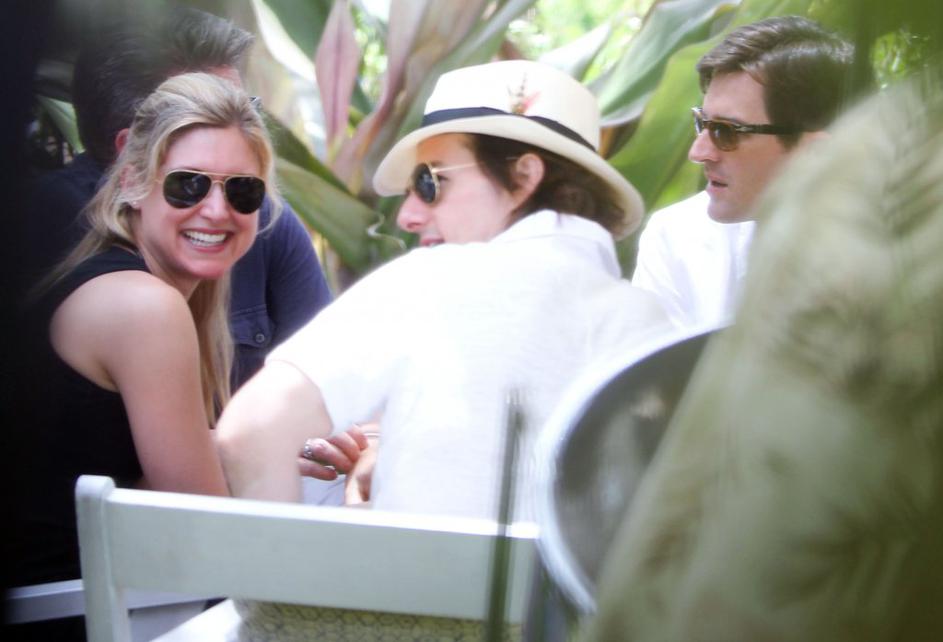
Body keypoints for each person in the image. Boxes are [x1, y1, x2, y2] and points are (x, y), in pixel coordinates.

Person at [216, 59, 670, 523]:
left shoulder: (428, 281)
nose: (407, 216)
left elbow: (252, 429)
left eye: (430, 182)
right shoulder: (650, 324)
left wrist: (282, 566)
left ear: (523, 177)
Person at [10, 72, 273, 618]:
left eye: (242, 190)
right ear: (132, 181)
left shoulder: (117, 281)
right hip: (75, 614)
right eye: (188, 185)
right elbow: (206, 533)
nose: (217, 210)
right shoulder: (145, 307)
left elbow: (138, 489)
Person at [24, 7, 331, 389]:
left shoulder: (255, 213)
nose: (217, 209)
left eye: (245, 110)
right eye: (210, 115)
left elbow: (329, 378)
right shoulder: (51, 221)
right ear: (132, 154)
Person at [632, 15, 864, 329]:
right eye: (702, 123)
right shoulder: (677, 236)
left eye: (726, 131)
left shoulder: (904, 256)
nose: (697, 153)